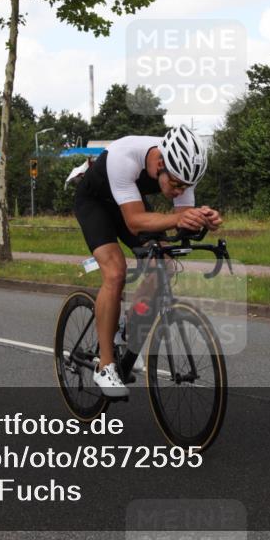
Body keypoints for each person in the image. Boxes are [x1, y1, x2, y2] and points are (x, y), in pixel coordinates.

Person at [73, 125, 223, 397]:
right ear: (161, 163)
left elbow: (182, 222)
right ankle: (104, 365)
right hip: (95, 203)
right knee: (115, 272)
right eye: (175, 184)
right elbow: (133, 222)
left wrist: (203, 219)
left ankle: (128, 331)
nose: (179, 191)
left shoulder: (184, 168)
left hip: (129, 200)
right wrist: (178, 218)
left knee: (163, 264)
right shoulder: (124, 157)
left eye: (186, 187)